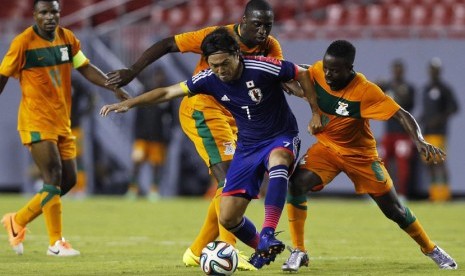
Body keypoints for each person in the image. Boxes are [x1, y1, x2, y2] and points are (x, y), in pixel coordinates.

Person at [105, 0, 302, 270]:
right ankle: (228, 249)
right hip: (203, 110)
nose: (263, 31)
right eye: (257, 24)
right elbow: (167, 44)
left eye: (268, 25)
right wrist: (133, 73)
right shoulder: (215, 37)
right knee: (228, 182)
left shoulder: (270, 46)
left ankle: (198, 250)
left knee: (232, 188)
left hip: (237, 117)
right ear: (242, 21)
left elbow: (276, 75)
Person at [282, 40, 457, 272]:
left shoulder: (366, 91)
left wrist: (419, 140)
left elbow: (402, 114)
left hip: (361, 156)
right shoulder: (316, 72)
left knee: (394, 210)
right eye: (326, 68)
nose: (328, 74)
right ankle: (299, 250)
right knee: (296, 184)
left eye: (334, 70)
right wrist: (291, 86)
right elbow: (292, 72)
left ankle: (431, 248)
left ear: (350, 68)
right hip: (327, 149)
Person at [0, 0, 129, 256]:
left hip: (62, 121)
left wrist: (112, 86)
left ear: (60, 14)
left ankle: (18, 220)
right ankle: (56, 243)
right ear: (35, 15)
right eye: (44, 12)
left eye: (54, 12)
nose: (49, 17)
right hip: (35, 120)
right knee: (53, 175)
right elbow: (2, 77)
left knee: (67, 181)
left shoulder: (67, 38)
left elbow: (85, 67)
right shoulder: (23, 43)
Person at [126, 67, 173, 201]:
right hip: (142, 136)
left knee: (156, 165)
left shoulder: (167, 96)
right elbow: (137, 114)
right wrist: (136, 133)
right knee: (136, 163)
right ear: (153, 78)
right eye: (157, 77)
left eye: (161, 78)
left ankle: (154, 191)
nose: (158, 80)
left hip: (158, 137)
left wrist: (168, 135)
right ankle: (132, 189)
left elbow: (172, 118)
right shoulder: (144, 93)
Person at [420, 57, 459, 202]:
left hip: (439, 132)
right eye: (431, 69)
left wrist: (440, 118)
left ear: (439, 71)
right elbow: (426, 110)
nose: (433, 72)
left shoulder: (445, 89)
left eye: (435, 69)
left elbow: (454, 107)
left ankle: (445, 194)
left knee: (440, 162)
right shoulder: (426, 89)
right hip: (427, 132)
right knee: (429, 164)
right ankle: (434, 194)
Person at [380, 59, 416, 200]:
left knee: (402, 165)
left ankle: (401, 194)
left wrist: (395, 93)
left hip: (403, 133)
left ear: (403, 71)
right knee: (382, 163)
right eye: (395, 68)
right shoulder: (387, 86)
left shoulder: (408, 87)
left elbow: (407, 105)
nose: (397, 71)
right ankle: (383, 194)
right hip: (389, 132)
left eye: (399, 68)